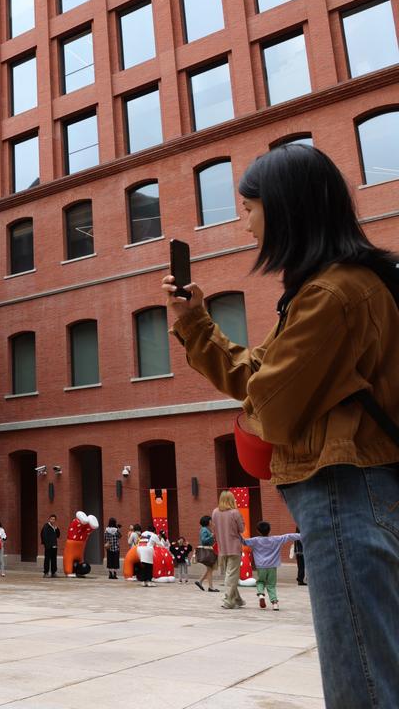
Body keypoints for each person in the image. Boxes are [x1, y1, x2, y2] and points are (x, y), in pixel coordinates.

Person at [163, 143, 399, 706]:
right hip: (364, 485)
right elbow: (261, 375)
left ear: (288, 209)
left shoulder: (330, 295)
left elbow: (270, 403)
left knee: (360, 677)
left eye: (250, 209)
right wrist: (194, 322)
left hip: (343, 488)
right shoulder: (346, 284)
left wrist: (256, 403)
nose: (244, 224)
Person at [242, 522, 301, 611]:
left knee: (260, 582)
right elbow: (289, 536)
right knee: (271, 585)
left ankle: (261, 594)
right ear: (269, 530)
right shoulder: (276, 539)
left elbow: (243, 541)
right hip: (272, 566)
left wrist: (236, 533)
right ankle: (275, 603)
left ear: (258, 531)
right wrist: (302, 535)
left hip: (260, 566)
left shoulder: (255, 540)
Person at [209, 492, 245, 609]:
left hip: (222, 547)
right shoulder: (235, 512)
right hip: (234, 547)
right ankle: (228, 600)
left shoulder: (215, 512)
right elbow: (242, 529)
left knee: (230, 574)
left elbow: (214, 528)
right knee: (232, 574)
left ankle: (237, 600)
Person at [195, 515, 219, 593]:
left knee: (210, 569)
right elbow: (204, 540)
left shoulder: (206, 529)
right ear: (208, 521)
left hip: (209, 551)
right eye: (210, 520)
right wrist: (212, 536)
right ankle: (210, 587)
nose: (211, 522)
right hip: (207, 551)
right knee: (210, 569)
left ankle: (200, 581)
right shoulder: (204, 530)